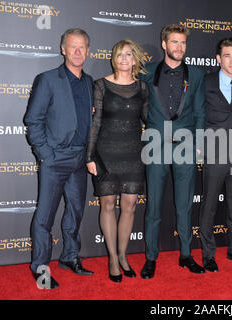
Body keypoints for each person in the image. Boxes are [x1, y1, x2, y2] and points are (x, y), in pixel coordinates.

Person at [24, 28, 94, 289]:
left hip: (79, 159)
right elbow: (33, 120)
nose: (77, 52)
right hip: (55, 159)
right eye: (72, 47)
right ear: (63, 49)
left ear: (88, 51)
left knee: (75, 212)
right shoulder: (47, 79)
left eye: (82, 47)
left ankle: (70, 256)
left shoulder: (89, 83)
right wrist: (46, 154)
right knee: (45, 217)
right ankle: (40, 267)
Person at [140, 24, 206, 279]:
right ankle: (150, 258)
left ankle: (186, 255)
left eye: (183, 43)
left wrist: (199, 142)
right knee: (153, 206)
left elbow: (200, 111)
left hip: (186, 147)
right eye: (174, 42)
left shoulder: (197, 75)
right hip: (156, 145)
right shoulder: (146, 72)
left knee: (184, 206)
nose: (179, 47)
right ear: (164, 45)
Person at [86, 39, 149, 282]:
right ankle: (112, 258)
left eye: (129, 55)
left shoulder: (143, 88)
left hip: (133, 153)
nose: (124, 59)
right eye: (120, 54)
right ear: (114, 58)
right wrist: (90, 156)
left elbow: (148, 119)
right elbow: (96, 123)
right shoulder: (100, 86)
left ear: (135, 59)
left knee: (130, 205)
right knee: (108, 204)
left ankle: (123, 255)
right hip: (106, 153)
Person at [199, 38, 232, 272]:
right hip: (215, 149)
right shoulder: (206, 81)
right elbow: (197, 114)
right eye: (227, 56)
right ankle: (208, 254)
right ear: (218, 58)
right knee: (209, 205)